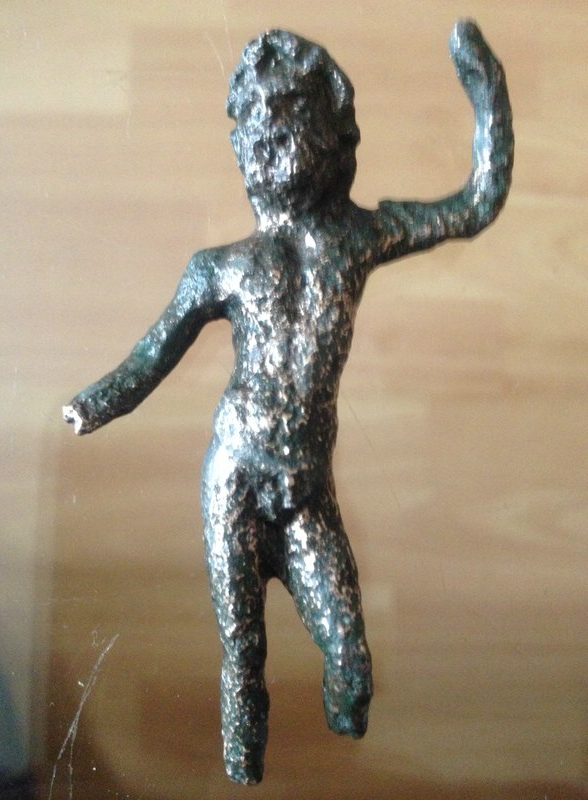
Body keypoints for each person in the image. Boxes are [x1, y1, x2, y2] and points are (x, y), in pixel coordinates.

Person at [64, 22, 513, 784]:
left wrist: (486, 89)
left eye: (282, 115)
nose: (261, 137)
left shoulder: (359, 238)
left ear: (331, 130)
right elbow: (150, 357)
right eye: (249, 124)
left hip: (306, 492)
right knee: (244, 653)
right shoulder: (222, 268)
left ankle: (346, 753)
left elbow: (476, 202)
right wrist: (92, 406)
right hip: (236, 479)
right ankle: (244, 772)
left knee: (352, 669)